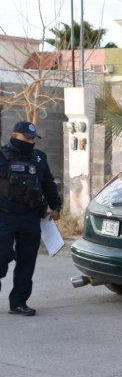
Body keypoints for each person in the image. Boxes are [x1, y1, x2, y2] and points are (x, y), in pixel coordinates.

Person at [0, 121, 61, 316]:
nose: (31, 141)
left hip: (30, 217)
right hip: (4, 216)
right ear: (14, 136)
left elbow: (48, 184)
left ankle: (19, 302)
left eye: (33, 138)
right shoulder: (2, 156)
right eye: (27, 138)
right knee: (1, 257)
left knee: (27, 263)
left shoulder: (39, 158)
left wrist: (56, 206)